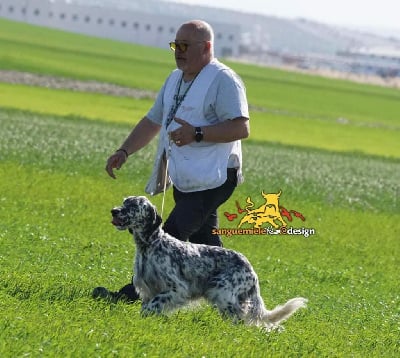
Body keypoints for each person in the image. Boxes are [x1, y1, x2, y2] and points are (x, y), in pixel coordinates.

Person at [93, 19, 250, 303]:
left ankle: (131, 295)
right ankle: (234, 294)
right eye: (175, 45)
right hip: (187, 177)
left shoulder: (224, 80)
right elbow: (153, 121)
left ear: (207, 47)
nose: (178, 51)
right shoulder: (174, 79)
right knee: (206, 243)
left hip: (215, 177)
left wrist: (197, 133)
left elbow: (241, 128)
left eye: (185, 45)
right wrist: (124, 151)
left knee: (165, 236)